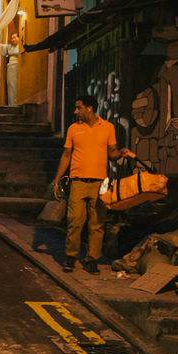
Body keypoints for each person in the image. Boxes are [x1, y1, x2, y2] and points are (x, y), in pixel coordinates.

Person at [51, 94, 135, 274]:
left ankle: (92, 259)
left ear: (89, 108)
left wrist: (121, 153)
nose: (75, 111)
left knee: (97, 223)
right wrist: (57, 179)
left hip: (99, 183)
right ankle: (71, 256)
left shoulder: (108, 128)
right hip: (78, 181)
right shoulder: (74, 129)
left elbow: (111, 153)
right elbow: (66, 155)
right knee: (75, 221)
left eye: (78, 108)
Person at [0, 16, 24, 107]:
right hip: (11, 66)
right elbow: (0, 45)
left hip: (17, 65)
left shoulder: (21, 46)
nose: (13, 39)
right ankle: (12, 103)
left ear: (19, 38)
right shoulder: (10, 47)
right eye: (12, 38)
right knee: (11, 84)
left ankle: (16, 103)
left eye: (15, 37)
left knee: (16, 84)